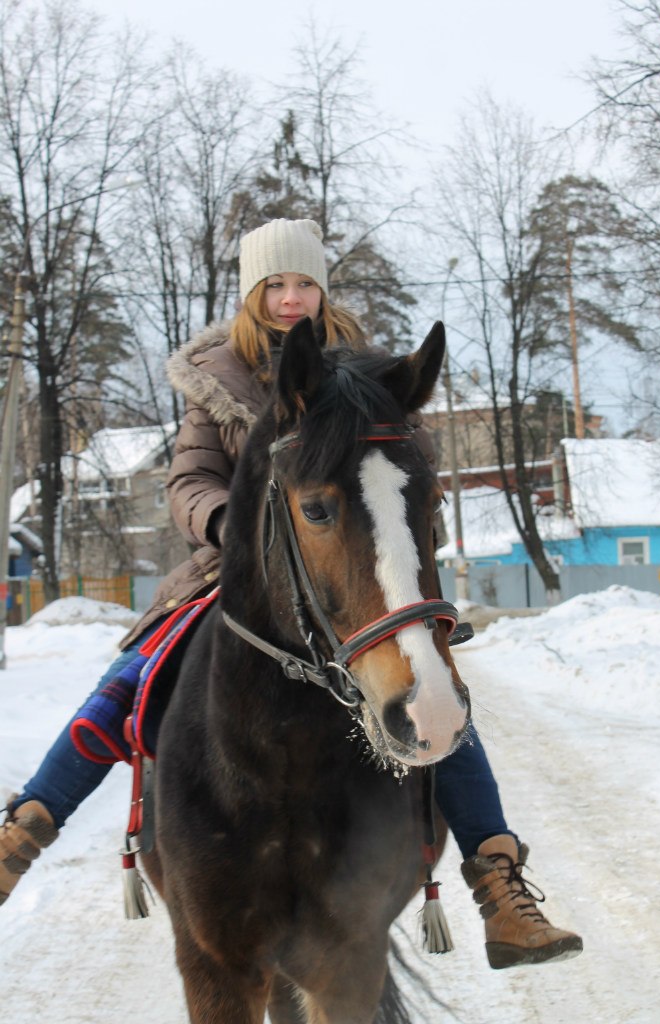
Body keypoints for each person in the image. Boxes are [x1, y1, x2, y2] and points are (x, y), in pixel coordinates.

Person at [0, 218, 582, 970]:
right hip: (237, 575)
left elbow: (399, 475)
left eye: (303, 281)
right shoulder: (219, 376)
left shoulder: (367, 374)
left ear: (321, 287)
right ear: (252, 292)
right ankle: (27, 826)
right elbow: (187, 483)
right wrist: (230, 528)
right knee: (134, 676)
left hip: (347, 572)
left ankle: (498, 885)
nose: (289, 296)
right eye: (274, 284)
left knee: (434, 695)